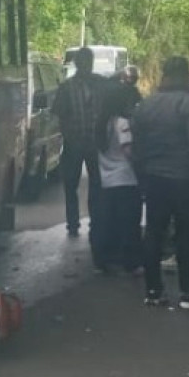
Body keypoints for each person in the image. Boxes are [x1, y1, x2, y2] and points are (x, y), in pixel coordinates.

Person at [132, 56, 189, 309]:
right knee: (186, 235)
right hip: (185, 179)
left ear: (164, 75)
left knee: (153, 233)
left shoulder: (146, 105)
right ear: (185, 75)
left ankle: (153, 291)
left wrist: (143, 175)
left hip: (153, 179)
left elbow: (137, 146)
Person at [53, 46, 106, 238]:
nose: (86, 66)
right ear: (77, 64)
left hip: (95, 142)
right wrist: (68, 135)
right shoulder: (66, 87)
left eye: (89, 62)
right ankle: (73, 224)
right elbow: (59, 114)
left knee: (97, 184)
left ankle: (97, 220)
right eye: (83, 62)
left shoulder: (100, 84)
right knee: (70, 184)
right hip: (74, 143)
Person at [92, 80, 143, 275]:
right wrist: (141, 163)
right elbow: (128, 150)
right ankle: (131, 262)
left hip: (107, 178)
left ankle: (103, 260)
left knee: (108, 221)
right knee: (129, 224)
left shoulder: (101, 122)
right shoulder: (122, 122)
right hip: (126, 177)